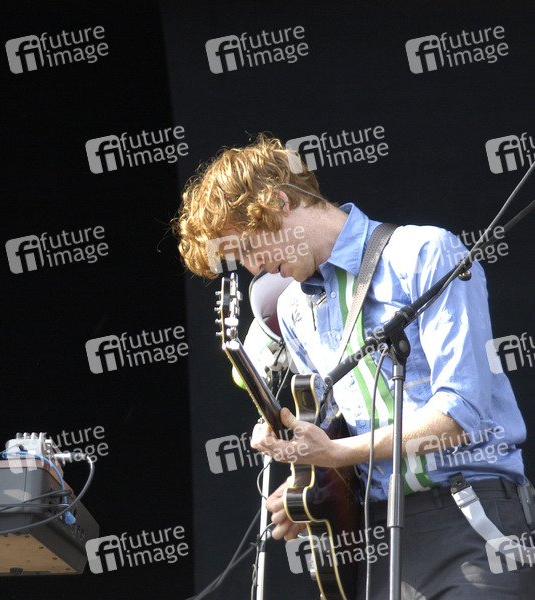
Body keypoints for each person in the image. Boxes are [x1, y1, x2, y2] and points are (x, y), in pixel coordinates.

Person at [174, 135, 534, 598]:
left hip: (472, 516)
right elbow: (340, 435)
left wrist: (333, 454)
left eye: (246, 247)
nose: (252, 268)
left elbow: (460, 413)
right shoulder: (292, 311)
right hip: (377, 541)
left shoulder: (423, 252)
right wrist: (309, 483)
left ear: (280, 202)